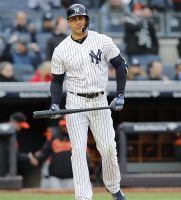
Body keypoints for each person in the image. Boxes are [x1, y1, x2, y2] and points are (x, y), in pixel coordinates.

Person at [49, 4, 127, 200]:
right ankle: (83, 196)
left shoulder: (102, 40)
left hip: (100, 99)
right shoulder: (61, 49)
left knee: (108, 149)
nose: (78, 22)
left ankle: (113, 187)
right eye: (74, 19)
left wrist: (120, 94)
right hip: (75, 102)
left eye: (81, 18)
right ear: (68, 22)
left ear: (86, 19)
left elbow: (120, 65)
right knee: (78, 151)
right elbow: (56, 81)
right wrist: (55, 103)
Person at [34, 117, 74, 189]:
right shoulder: (54, 138)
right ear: (60, 126)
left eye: (67, 125)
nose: (65, 127)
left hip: (72, 177)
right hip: (55, 177)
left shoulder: (76, 138)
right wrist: (37, 158)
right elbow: (44, 152)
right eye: (63, 125)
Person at [10, 112, 43, 188]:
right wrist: (29, 156)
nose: (21, 128)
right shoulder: (6, 133)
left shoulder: (13, 134)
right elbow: (13, 154)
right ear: (14, 123)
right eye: (20, 125)